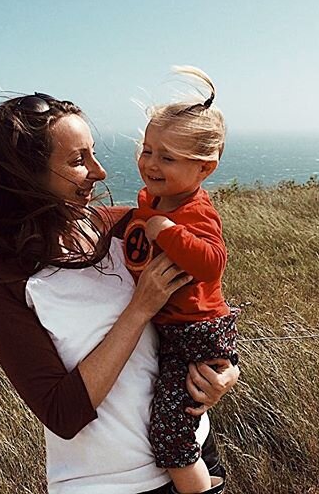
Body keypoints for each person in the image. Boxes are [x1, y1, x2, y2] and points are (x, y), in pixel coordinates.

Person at [0, 93, 239, 494]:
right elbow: (62, 412)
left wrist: (223, 369)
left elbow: (202, 283)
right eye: (77, 160)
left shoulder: (114, 228)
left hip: (192, 453)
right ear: (26, 174)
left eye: (93, 154)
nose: (100, 172)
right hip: (110, 485)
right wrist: (138, 311)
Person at [117, 68, 238, 494]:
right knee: (173, 422)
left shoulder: (195, 211)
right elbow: (138, 220)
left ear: (205, 167)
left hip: (198, 336)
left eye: (167, 158)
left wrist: (166, 230)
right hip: (178, 333)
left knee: (172, 439)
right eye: (147, 150)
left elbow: (212, 262)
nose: (150, 163)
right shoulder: (155, 199)